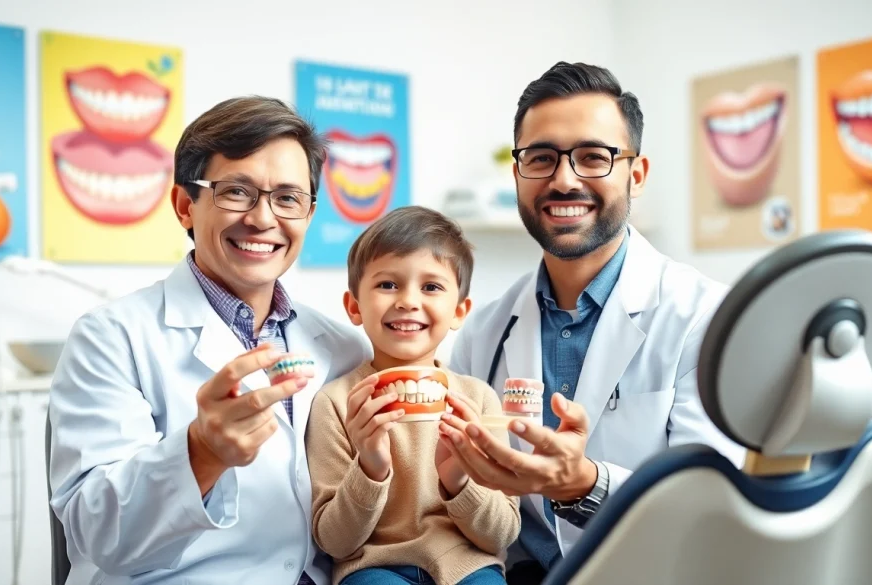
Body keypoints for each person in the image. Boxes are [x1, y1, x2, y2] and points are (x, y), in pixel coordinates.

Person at [438, 62, 748, 583]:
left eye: (592, 158)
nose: (564, 180)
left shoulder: (706, 317)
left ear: (637, 174)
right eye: (541, 158)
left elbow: (710, 508)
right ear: (518, 174)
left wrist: (585, 484)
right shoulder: (483, 333)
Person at [47, 96, 372, 585]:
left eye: (288, 198)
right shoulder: (110, 338)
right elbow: (97, 533)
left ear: (308, 213)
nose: (263, 219)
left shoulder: (345, 348)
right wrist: (201, 453)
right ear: (185, 206)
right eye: (236, 192)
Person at [306, 206, 521, 585]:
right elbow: (334, 542)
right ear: (354, 307)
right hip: (374, 569)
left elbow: (502, 534)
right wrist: (371, 467)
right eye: (388, 284)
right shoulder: (337, 404)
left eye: (431, 287)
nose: (408, 300)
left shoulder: (478, 401)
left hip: (468, 566)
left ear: (459, 311)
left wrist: (457, 480)